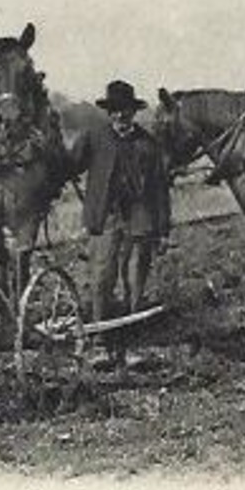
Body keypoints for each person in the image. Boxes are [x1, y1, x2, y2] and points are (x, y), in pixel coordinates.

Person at [65, 79, 172, 327]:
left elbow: (160, 190)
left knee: (135, 276)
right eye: (115, 109)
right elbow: (69, 166)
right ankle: (99, 334)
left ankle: (132, 329)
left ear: (134, 112)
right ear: (108, 112)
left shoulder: (149, 144)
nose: (120, 114)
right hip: (105, 217)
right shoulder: (94, 138)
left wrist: (164, 230)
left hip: (140, 216)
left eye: (125, 109)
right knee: (102, 274)